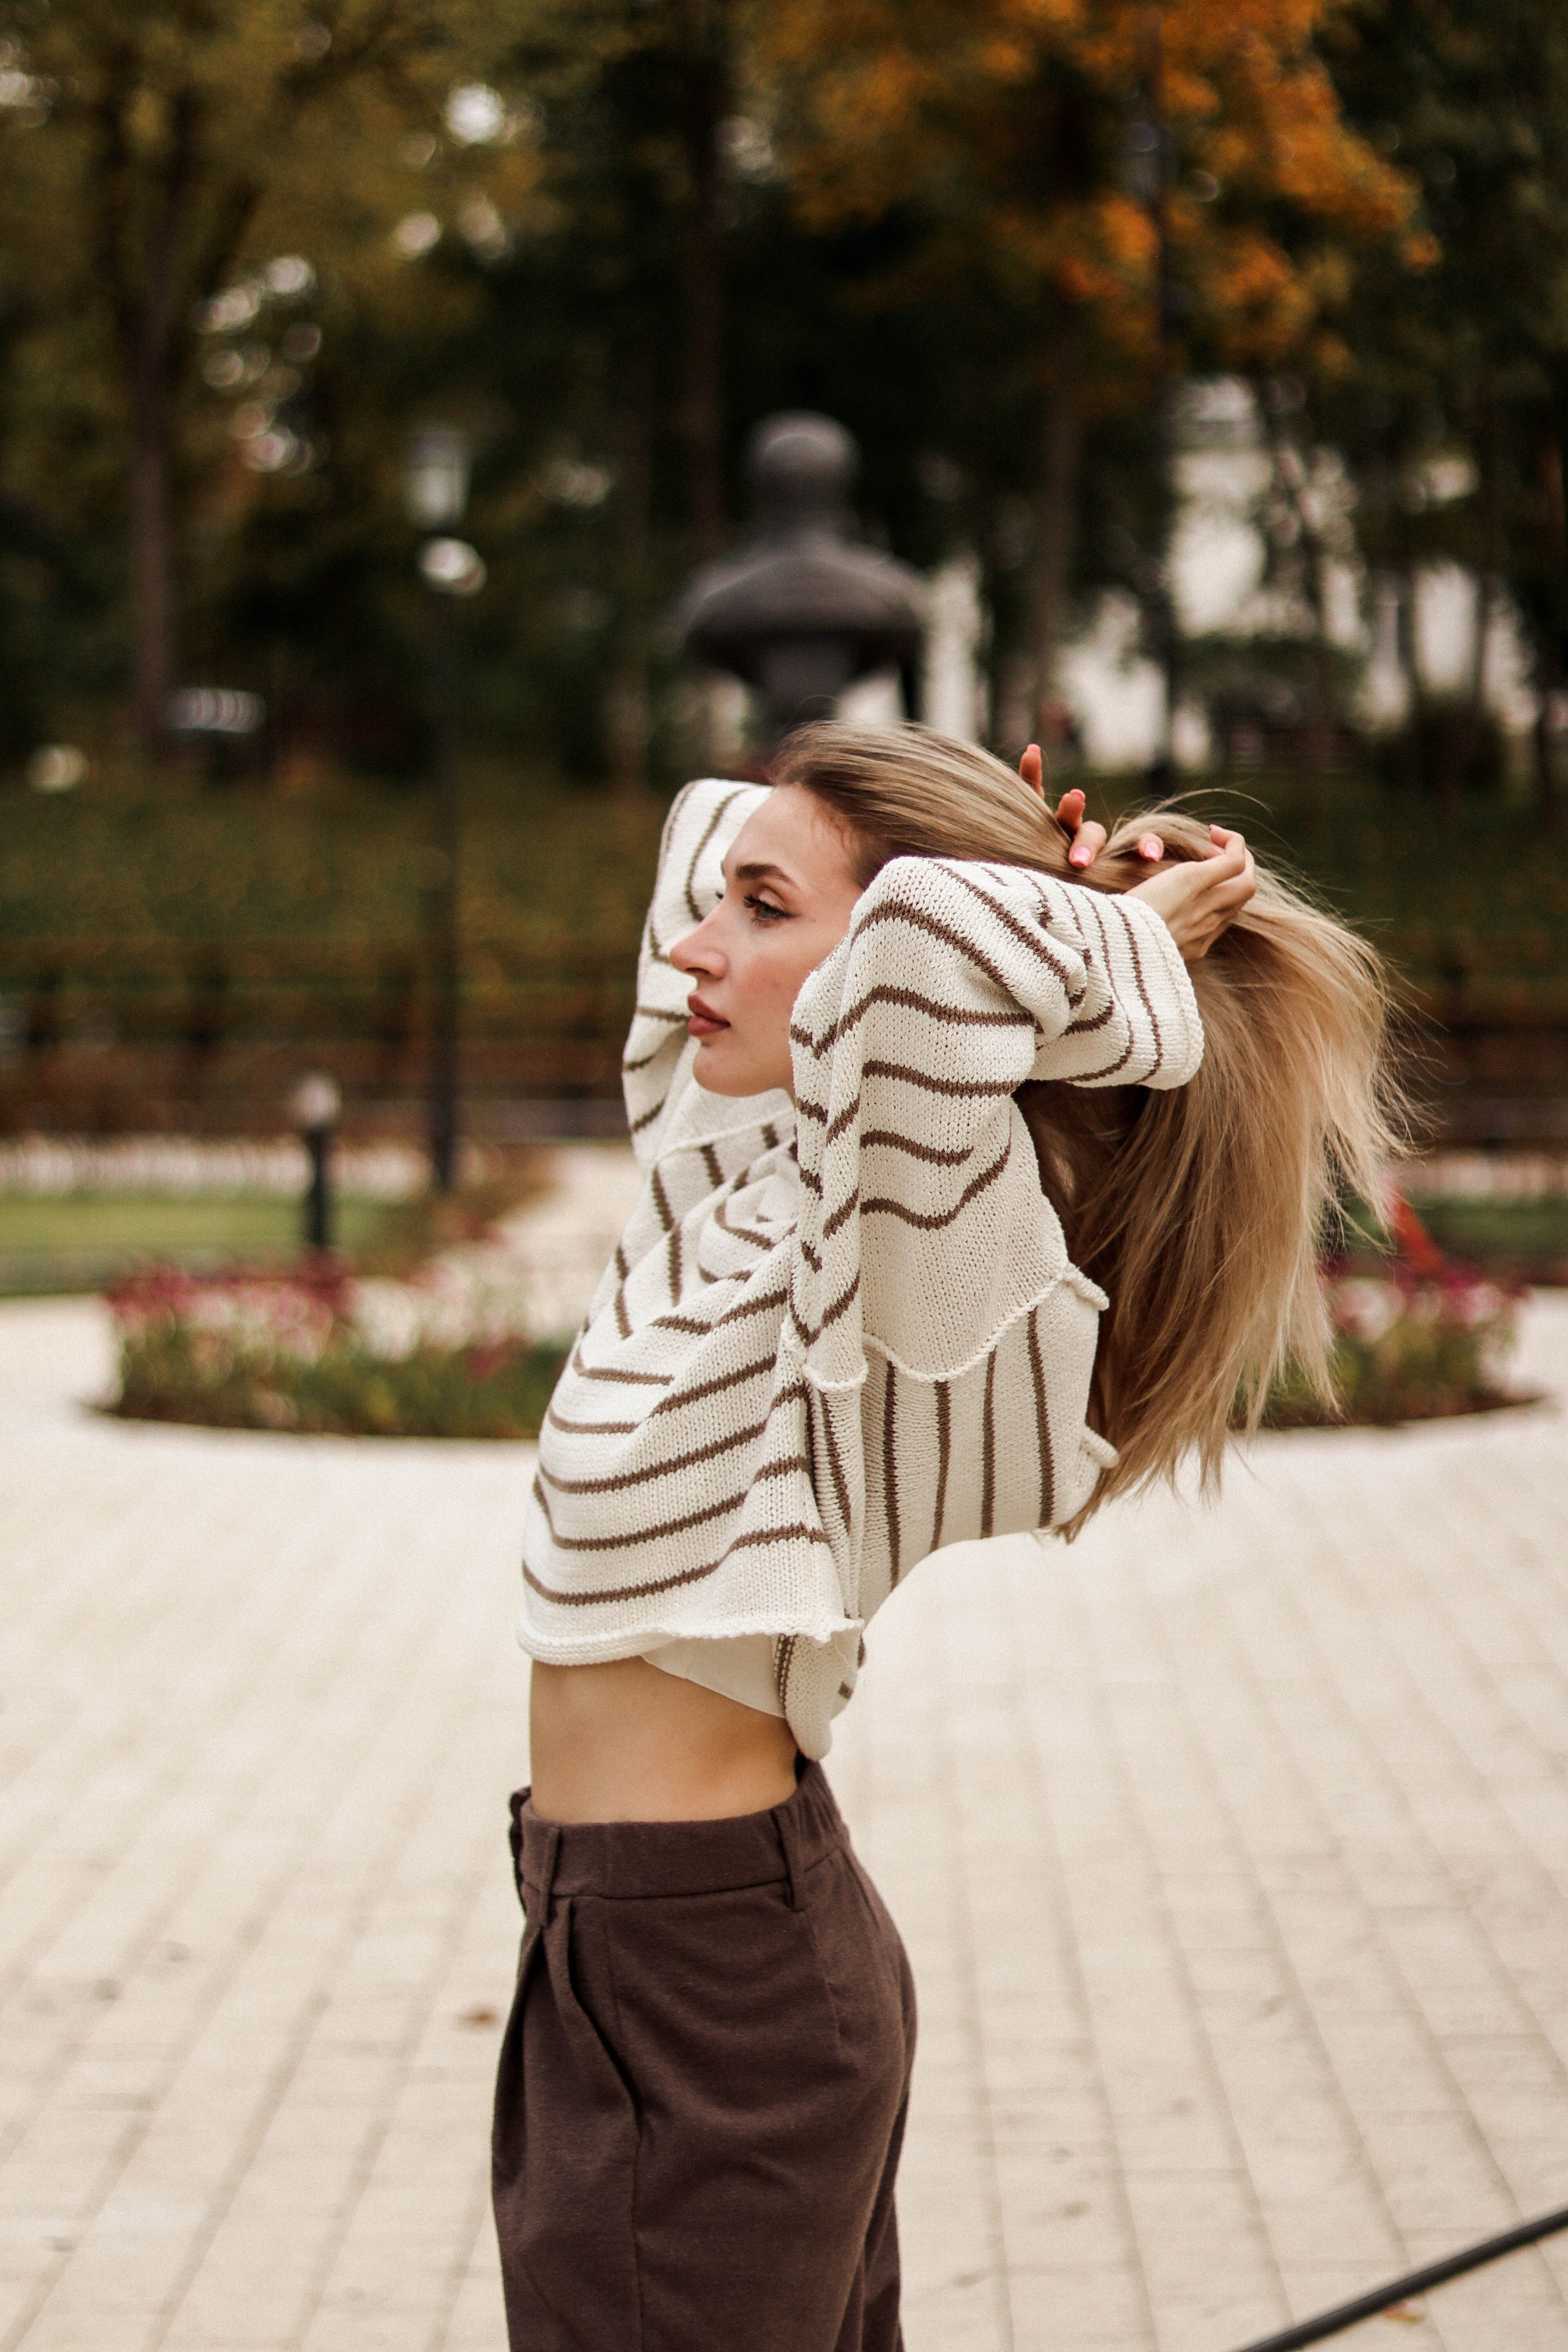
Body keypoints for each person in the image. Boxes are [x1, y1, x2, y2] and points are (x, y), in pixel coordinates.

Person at [494, 724, 1396, 2351]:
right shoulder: (729, 1181)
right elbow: (726, 838)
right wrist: (1033, 879)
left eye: (765, 909)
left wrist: (1082, 923)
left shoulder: (895, 1235)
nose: (700, 944)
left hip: (703, 1978)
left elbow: (916, 952)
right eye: (727, 904)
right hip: (628, 1945)